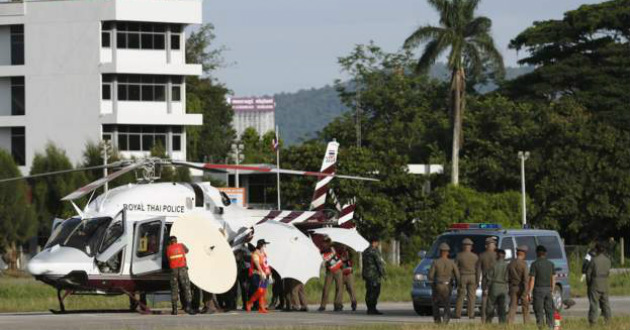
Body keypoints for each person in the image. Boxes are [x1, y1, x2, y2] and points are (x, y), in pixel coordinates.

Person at [428, 243, 460, 324]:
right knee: (447, 303)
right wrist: (457, 284)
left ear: (440, 252)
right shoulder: (452, 262)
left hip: (438, 285)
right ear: (447, 252)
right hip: (447, 286)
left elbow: (430, 275)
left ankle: (437, 320)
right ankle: (446, 319)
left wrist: (432, 285)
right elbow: (457, 275)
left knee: (435, 303)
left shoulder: (435, 262)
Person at [528, 245, 556, 329]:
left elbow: (532, 279)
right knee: (549, 310)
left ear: (537, 253)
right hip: (548, 289)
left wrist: (529, 292)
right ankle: (550, 326)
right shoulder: (551, 264)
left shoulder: (534, 264)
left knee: (538, 310)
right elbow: (553, 278)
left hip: (538, 290)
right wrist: (552, 289)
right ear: (545, 253)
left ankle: (540, 327)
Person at [166, 236, 194, 315]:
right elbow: (187, 250)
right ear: (176, 241)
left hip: (173, 271)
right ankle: (189, 307)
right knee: (186, 288)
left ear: (170, 242)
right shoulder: (181, 246)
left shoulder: (168, 248)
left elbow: (168, 258)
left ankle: (174, 310)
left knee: (174, 289)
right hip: (182, 269)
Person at [586, 242, 612, 325]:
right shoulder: (608, 260)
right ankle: (608, 320)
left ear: (596, 250)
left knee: (594, 303)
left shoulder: (594, 260)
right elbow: (608, 272)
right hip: (604, 283)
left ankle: (593, 321)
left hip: (595, 283)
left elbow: (588, 273)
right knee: (605, 303)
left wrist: (589, 283)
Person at [246, 239, 272, 313]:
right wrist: (261, 272)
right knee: (260, 290)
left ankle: (261, 307)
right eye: (264, 245)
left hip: (264, 274)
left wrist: (269, 273)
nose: (265, 246)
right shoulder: (255, 253)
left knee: (263, 291)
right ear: (261, 245)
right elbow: (257, 264)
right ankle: (250, 302)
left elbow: (266, 264)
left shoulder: (264, 253)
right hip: (257, 274)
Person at [454, 238, 478, 319]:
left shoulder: (459, 256)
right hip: (472, 276)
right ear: (471, 246)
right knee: (471, 296)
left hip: (463, 276)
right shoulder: (475, 257)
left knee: (460, 295)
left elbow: (455, 268)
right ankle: (471, 314)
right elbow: (478, 269)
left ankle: (458, 313)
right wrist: (477, 280)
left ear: (463, 246)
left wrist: (457, 278)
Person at [318, 237, 344, 312]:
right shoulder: (322, 251)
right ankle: (323, 305)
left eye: (327, 242)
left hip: (338, 269)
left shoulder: (334, 247)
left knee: (339, 287)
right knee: (326, 288)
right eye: (324, 242)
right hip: (329, 271)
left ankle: (337, 304)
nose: (325, 243)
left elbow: (341, 252)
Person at [362, 237, 386, 315]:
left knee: (369, 291)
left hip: (367, 274)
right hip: (374, 275)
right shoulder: (374, 251)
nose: (378, 244)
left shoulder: (365, 251)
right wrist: (383, 274)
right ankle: (372, 308)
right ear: (374, 242)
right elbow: (379, 263)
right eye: (377, 242)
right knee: (375, 292)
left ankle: (370, 308)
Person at [507, 245, 530, 324]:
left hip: (513, 287)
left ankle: (509, 323)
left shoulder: (510, 263)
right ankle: (526, 323)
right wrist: (526, 292)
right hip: (522, 287)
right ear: (523, 254)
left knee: (512, 306)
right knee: (525, 307)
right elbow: (526, 279)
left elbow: (507, 277)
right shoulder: (524, 264)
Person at [477, 237, 497, 323]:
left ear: (486, 246)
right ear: (494, 246)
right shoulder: (497, 256)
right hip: (495, 280)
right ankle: (490, 317)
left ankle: (483, 318)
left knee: (484, 299)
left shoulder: (481, 256)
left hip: (485, 280)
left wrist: (477, 281)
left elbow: (478, 270)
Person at [486, 249, 508, 323]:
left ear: (497, 255)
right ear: (504, 256)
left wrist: (487, 287)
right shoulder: (507, 265)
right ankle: (502, 322)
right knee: (502, 306)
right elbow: (508, 277)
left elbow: (488, 277)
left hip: (494, 286)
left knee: (491, 304)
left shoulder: (493, 265)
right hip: (503, 286)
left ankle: (488, 321)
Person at [339, 246, 358, 311]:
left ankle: (354, 302)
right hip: (340, 272)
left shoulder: (350, 251)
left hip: (349, 272)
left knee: (350, 288)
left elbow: (353, 259)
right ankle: (339, 304)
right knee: (340, 289)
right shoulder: (337, 251)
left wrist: (346, 258)